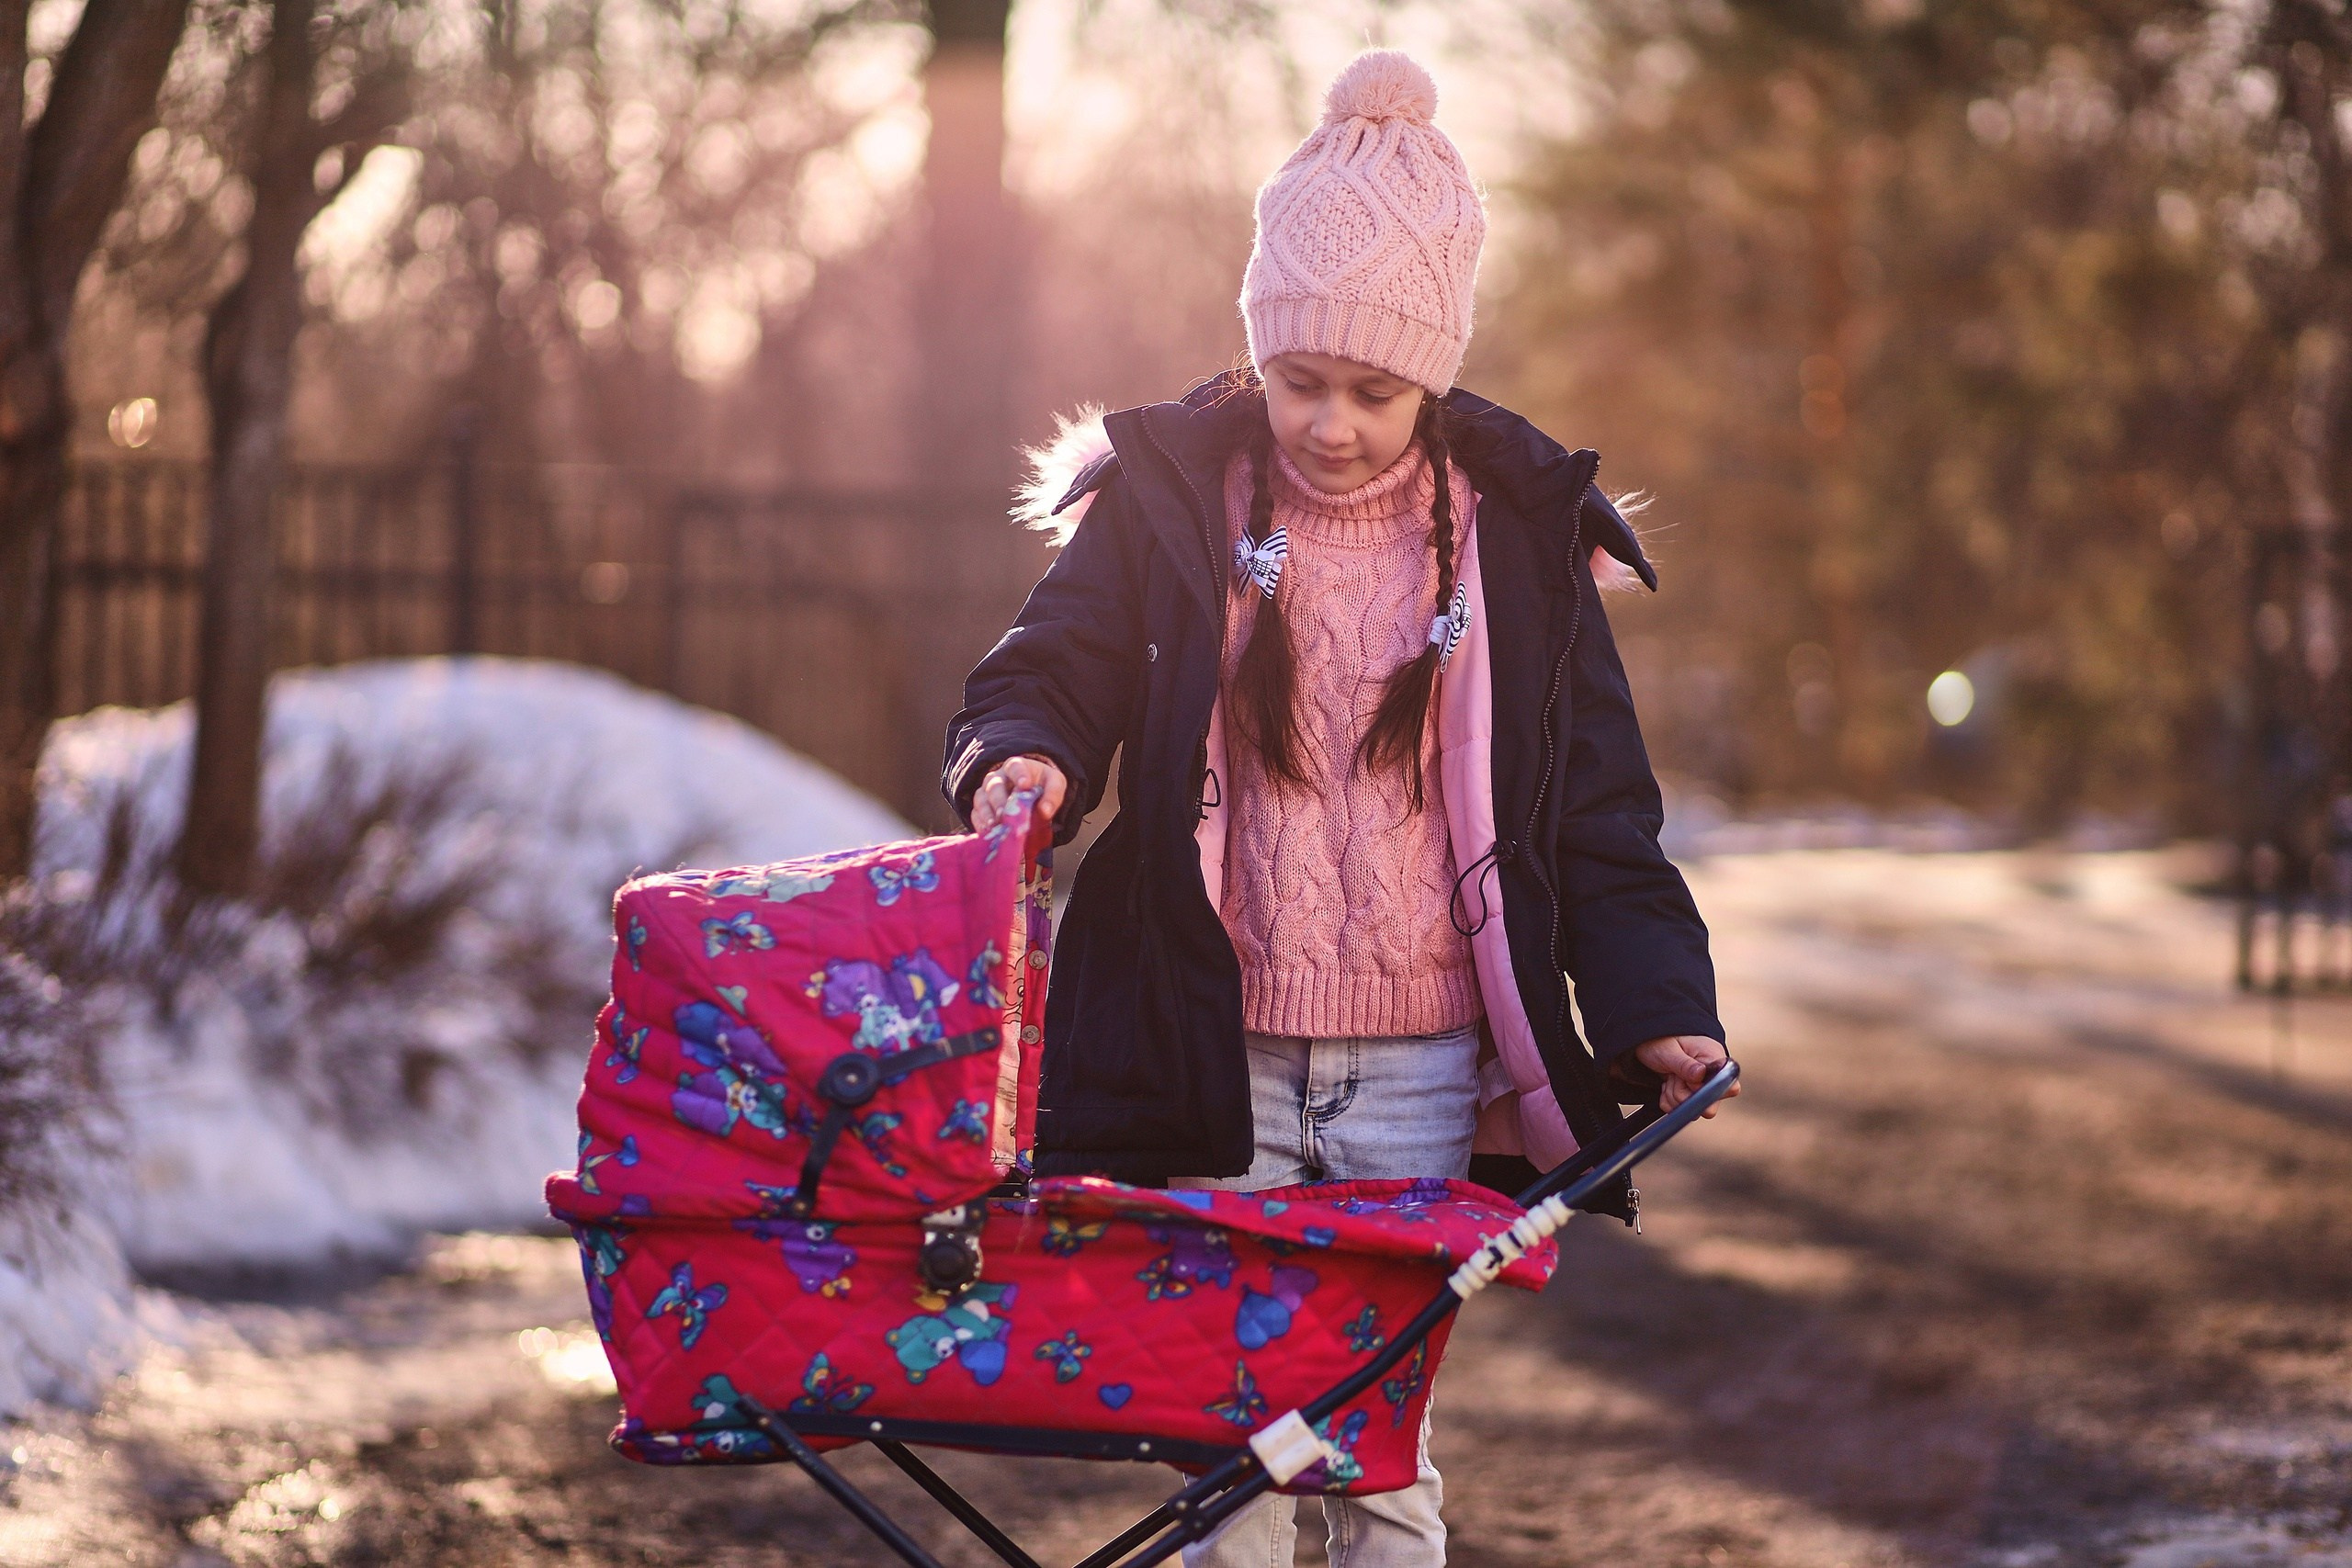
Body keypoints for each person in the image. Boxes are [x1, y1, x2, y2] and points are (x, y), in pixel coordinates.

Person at [944, 48, 1734, 1568]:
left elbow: (1599, 815)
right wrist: (1022, 756)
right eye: (1301, 379)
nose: (1332, 422)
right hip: (1210, 1044)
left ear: (1431, 373)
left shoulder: (1511, 551)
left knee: (1371, 1447)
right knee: (1226, 1430)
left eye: (1374, 390)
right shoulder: (1174, 504)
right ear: (1261, 354)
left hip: (1417, 1068)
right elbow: (1056, 665)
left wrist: (1655, 1006)